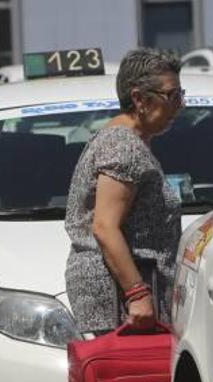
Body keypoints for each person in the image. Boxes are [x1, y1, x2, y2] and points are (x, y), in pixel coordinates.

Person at [65, 48, 184, 333]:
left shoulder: (125, 140)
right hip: (120, 302)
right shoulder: (123, 146)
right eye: (172, 96)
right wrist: (138, 294)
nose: (180, 105)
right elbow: (105, 227)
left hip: (122, 295)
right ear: (139, 99)